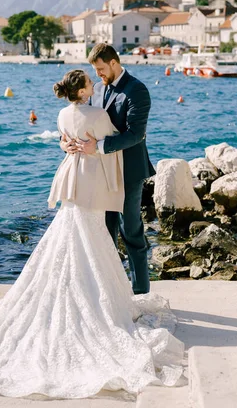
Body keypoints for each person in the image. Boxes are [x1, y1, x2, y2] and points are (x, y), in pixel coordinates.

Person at [0, 69, 183, 399]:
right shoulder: (98, 114)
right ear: (81, 91)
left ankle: (76, 290)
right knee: (93, 239)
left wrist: (71, 143)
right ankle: (97, 300)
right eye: (90, 83)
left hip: (71, 180)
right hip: (92, 180)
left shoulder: (63, 114)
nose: (95, 85)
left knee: (71, 235)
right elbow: (112, 145)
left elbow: (67, 139)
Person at [61, 43, 155, 295]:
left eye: (101, 69)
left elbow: (136, 134)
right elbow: (81, 120)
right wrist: (65, 142)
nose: (99, 75)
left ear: (114, 63)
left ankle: (140, 292)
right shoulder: (97, 90)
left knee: (131, 231)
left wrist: (99, 146)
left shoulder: (137, 90)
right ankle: (111, 292)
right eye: (96, 71)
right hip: (100, 172)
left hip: (129, 172)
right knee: (105, 231)